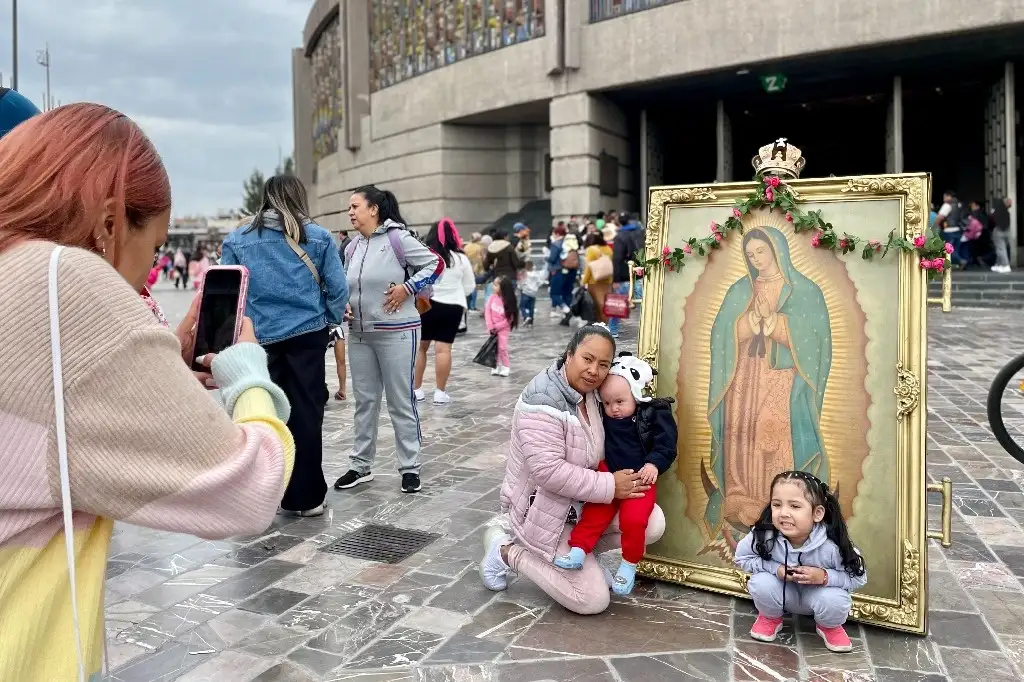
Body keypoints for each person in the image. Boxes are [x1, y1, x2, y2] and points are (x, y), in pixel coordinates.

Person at [0, 103, 295, 681]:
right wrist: (248, 373)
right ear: (108, 223)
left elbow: (42, 425)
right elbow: (248, 488)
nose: (145, 273)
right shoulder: (63, 280)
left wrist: (162, 377)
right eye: (155, 248)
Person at [480, 324, 665, 614]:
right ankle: (507, 551)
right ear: (569, 355)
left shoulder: (593, 393)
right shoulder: (542, 400)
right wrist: (610, 486)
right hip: (542, 513)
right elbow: (548, 472)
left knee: (651, 520)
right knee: (592, 600)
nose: (594, 370)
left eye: (603, 364)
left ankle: (584, 554)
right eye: (587, 359)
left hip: (581, 506)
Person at [221, 175, 347, 517]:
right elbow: (338, 289)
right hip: (307, 335)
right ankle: (305, 497)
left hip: (258, 338)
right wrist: (329, 320)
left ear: (265, 199)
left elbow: (228, 289)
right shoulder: (318, 237)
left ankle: (263, 496)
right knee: (307, 414)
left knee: (261, 414)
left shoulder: (239, 239)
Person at [334, 185, 444, 494]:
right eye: (349, 207)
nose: (350, 212)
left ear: (373, 209)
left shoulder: (399, 239)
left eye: (355, 206)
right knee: (364, 402)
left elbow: (436, 264)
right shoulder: (353, 247)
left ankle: (410, 467)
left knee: (400, 400)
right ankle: (360, 465)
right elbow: (346, 284)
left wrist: (407, 288)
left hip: (398, 332)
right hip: (359, 335)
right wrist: (343, 304)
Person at [553, 354, 677, 595]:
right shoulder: (604, 413)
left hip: (640, 479)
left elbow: (666, 445)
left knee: (634, 521)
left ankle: (629, 564)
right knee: (594, 513)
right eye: (608, 403)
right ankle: (579, 549)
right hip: (608, 474)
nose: (614, 409)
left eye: (620, 401)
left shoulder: (653, 414)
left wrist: (654, 463)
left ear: (636, 395)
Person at [734, 471, 867, 653]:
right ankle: (770, 617)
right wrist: (776, 569)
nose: (784, 513)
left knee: (836, 599)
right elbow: (742, 557)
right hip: (782, 593)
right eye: (777, 505)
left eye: (795, 506)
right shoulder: (764, 535)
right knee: (760, 582)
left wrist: (825, 577)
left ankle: (829, 626)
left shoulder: (832, 546)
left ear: (817, 513)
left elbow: (858, 578)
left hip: (818, 597)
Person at [414, 218, 475, 405]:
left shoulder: (426, 256)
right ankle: (440, 393)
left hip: (428, 305)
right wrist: (456, 295)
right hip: (453, 306)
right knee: (444, 349)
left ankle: (417, 390)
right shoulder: (461, 258)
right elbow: (470, 286)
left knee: (421, 347)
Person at [609, 212, 644, 337]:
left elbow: (617, 258)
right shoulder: (641, 233)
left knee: (618, 302)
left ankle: (613, 330)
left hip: (624, 274)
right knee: (645, 304)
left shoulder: (620, 236)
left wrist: (615, 279)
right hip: (641, 272)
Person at [484, 275, 518, 377]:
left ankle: (506, 367)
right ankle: (495, 366)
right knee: (494, 347)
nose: (493, 287)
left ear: (503, 287)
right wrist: (490, 326)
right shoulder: (492, 298)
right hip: (492, 329)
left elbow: (509, 319)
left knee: (502, 347)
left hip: (503, 329)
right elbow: (487, 312)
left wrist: (497, 326)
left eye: (495, 285)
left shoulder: (508, 301)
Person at [580, 232, 614, 323]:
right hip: (607, 280)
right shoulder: (608, 249)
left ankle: (600, 325)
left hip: (594, 281)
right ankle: (607, 323)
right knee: (605, 304)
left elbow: (589, 268)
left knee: (598, 306)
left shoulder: (591, 249)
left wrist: (584, 281)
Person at [546, 225, 569, 315]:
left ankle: (566, 309)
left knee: (554, 293)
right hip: (566, 269)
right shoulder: (566, 243)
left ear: (557, 233)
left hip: (556, 269)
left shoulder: (556, 244)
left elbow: (552, 259)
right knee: (563, 292)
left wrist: (546, 258)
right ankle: (565, 309)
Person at [519, 259, 545, 326]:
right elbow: (540, 283)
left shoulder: (524, 274)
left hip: (525, 292)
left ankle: (526, 316)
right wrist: (535, 287)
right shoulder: (536, 274)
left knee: (522, 306)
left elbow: (521, 283)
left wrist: (521, 287)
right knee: (531, 308)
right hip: (533, 293)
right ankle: (531, 321)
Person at [463, 232, 486, 310]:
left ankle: (468, 305)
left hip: (467, 268)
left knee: (468, 286)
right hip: (476, 269)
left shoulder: (466, 247)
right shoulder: (480, 247)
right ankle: (473, 306)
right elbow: (482, 259)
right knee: (474, 287)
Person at [991, 197, 1013, 273]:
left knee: (1000, 249)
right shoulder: (1007, 212)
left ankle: (1005, 265)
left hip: (999, 231)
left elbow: (993, 220)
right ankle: (998, 264)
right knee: (1001, 249)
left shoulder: (998, 210)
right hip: (1007, 231)